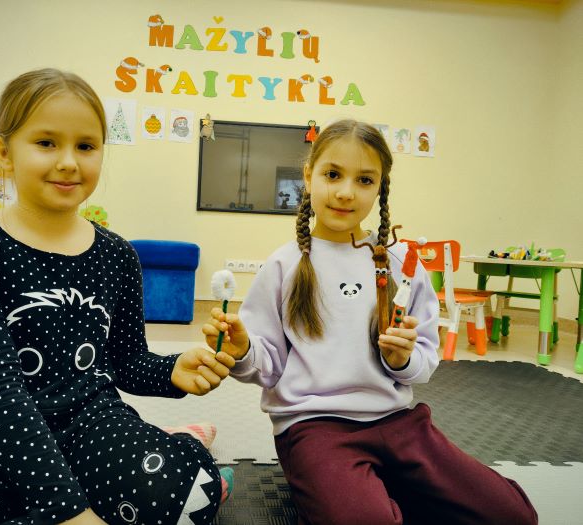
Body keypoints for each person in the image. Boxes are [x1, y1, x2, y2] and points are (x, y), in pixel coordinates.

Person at [0, 68, 234, 525]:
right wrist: (66, 511)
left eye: (86, 146)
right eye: (46, 143)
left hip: (90, 430)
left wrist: (172, 371)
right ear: (4, 152)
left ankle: (176, 444)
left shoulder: (117, 254)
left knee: (185, 496)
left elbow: (126, 361)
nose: (69, 162)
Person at [203, 119, 538, 525]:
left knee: (514, 515)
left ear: (380, 187)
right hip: (315, 428)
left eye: (364, 180)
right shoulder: (283, 266)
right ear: (308, 176)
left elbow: (425, 360)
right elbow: (268, 366)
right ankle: (362, 488)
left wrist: (401, 360)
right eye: (332, 175)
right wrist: (242, 350)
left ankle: (377, 485)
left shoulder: (401, 266)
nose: (346, 192)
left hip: (397, 423)